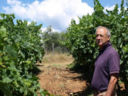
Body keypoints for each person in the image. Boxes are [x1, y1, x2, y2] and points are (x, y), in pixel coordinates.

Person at [91, 26, 120, 96]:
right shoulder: (102, 52)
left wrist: (107, 94)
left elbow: (114, 79)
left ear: (108, 37)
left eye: (101, 35)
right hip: (98, 93)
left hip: (105, 93)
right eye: (97, 35)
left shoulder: (112, 53)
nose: (98, 38)